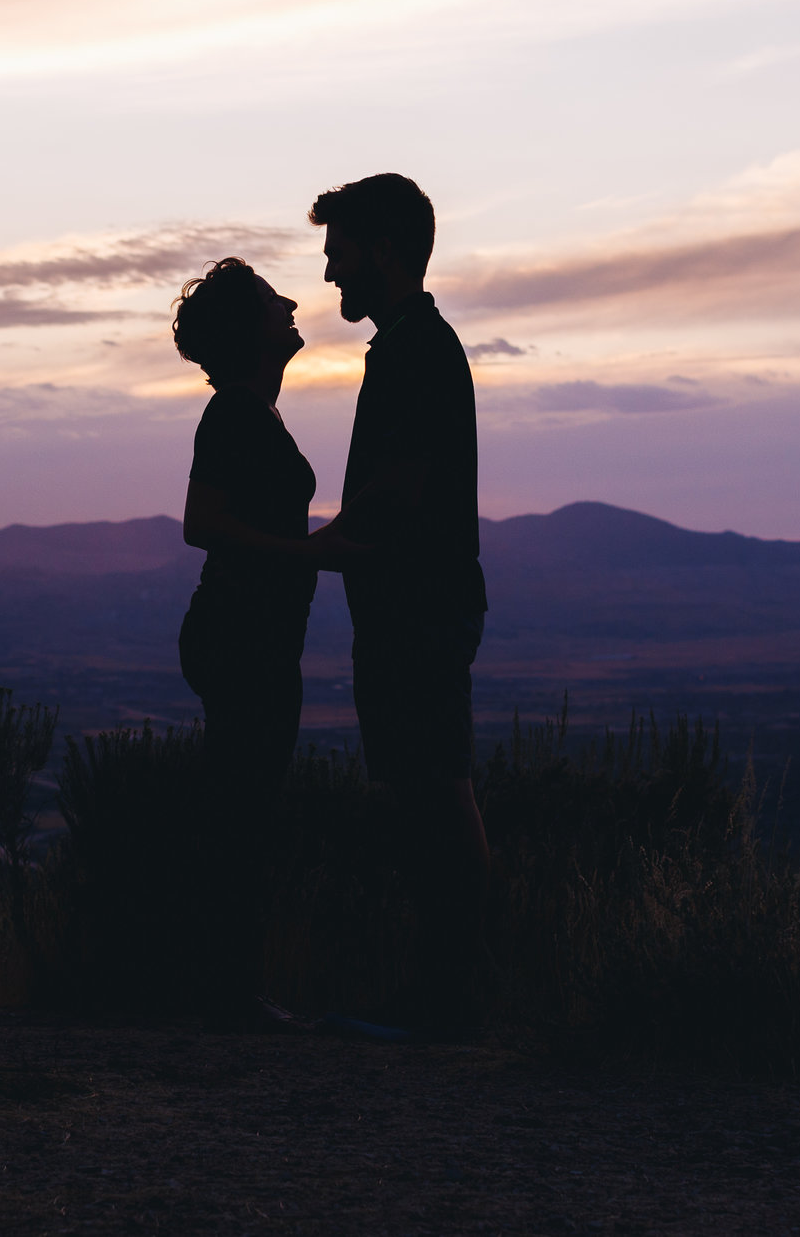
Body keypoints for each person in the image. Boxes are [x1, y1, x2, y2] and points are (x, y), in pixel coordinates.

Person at [312, 173, 491, 1041]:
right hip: (408, 608)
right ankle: (450, 990)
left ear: (384, 250)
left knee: (435, 793)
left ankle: (458, 994)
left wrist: (302, 553)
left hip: (417, 609)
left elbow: (396, 492)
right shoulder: (411, 346)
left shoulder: (414, 351)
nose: (330, 274)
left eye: (339, 254)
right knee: (427, 791)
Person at [171, 257, 359, 1030]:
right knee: (241, 808)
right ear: (250, 330)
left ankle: (225, 985)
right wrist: (303, 554)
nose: (289, 302)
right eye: (270, 300)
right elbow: (202, 524)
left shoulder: (253, 412)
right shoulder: (232, 416)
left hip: (258, 635)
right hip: (241, 634)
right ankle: (227, 992)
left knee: (243, 804)